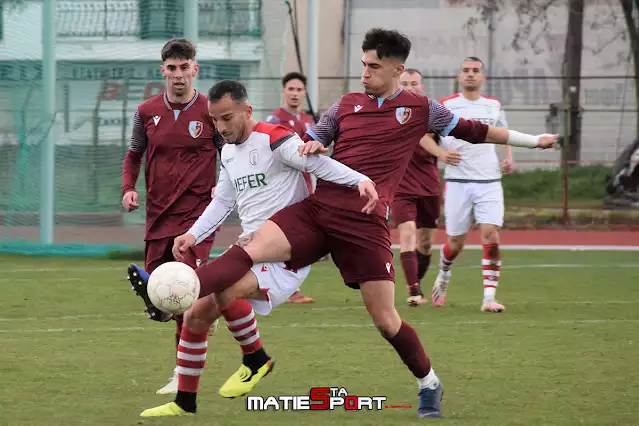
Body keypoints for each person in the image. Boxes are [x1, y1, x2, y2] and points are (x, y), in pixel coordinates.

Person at [143, 28, 557, 419]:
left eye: (373, 66)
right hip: (318, 210)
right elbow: (316, 138)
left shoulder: (422, 109)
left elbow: (476, 131)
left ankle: (428, 383)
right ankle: (175, 294)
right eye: (363, 65)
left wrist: (532, 141)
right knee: (247, 249)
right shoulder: (345, 105)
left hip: (365, 225)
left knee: (386, 321)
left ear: (397, 69)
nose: (365, 73)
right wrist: (313, 144)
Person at [139, 79, 377, 417]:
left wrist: (360, 179)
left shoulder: (274, 137)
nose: (221, 128)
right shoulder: (228, 152)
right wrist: (192, 235)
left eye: (227, 118)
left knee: (225, 289)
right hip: (250, 248)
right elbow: (223, 200)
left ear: (247, 111)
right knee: (195, 315)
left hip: (286, 252)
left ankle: (255, 358)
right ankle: (185, 403)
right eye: (215, 120)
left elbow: (315, 164)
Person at [121, 38, 269, 396]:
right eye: (172, 68)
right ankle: (171, 308)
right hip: (158, 215)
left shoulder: (209, 111)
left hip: (197, 216)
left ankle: (181, 373)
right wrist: (128, 187)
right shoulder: (146, 112)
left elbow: (231, 149)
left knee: (182, 287)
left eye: (184, 67)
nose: (178, 75)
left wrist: (226, 186)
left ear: (194, 69)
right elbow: (134, 154)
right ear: (163, 71)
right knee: (166, 293)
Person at [431, 56, 515, 313]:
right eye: (466, 70)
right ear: (459, 76)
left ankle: (489, 298)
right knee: (455, 243)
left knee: (491, 234)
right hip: (458, 181)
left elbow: (505, 135)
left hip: (489, 181)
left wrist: (508, 156)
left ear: (482, 77)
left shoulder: (493, 106)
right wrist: (441, 153)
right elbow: (424, 137)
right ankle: (444, 271)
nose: (470, 74)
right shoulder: (446, 105)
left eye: (475, 70)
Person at [392, 69, 461, 306]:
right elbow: (418, 136)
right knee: (407, 233)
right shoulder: (391, 112)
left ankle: (417, 283)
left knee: (425, 243)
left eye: (414, 83)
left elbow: (453, 136)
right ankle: (413, 290)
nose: (409, 87)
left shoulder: (434, 114)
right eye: (405, 83)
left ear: (421, 87)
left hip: (429, 186)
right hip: (401, 186)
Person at [266, 72, 320, 303]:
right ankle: (287, 289)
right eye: (291, 89)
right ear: (284, 91)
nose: (295, 94)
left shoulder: (309, 121)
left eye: (299, 90)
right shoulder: (275, 120)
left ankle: (286, 287)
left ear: (304, 93)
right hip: (281, 189)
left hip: (304, 187)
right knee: (283, 237)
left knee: (300, 238)